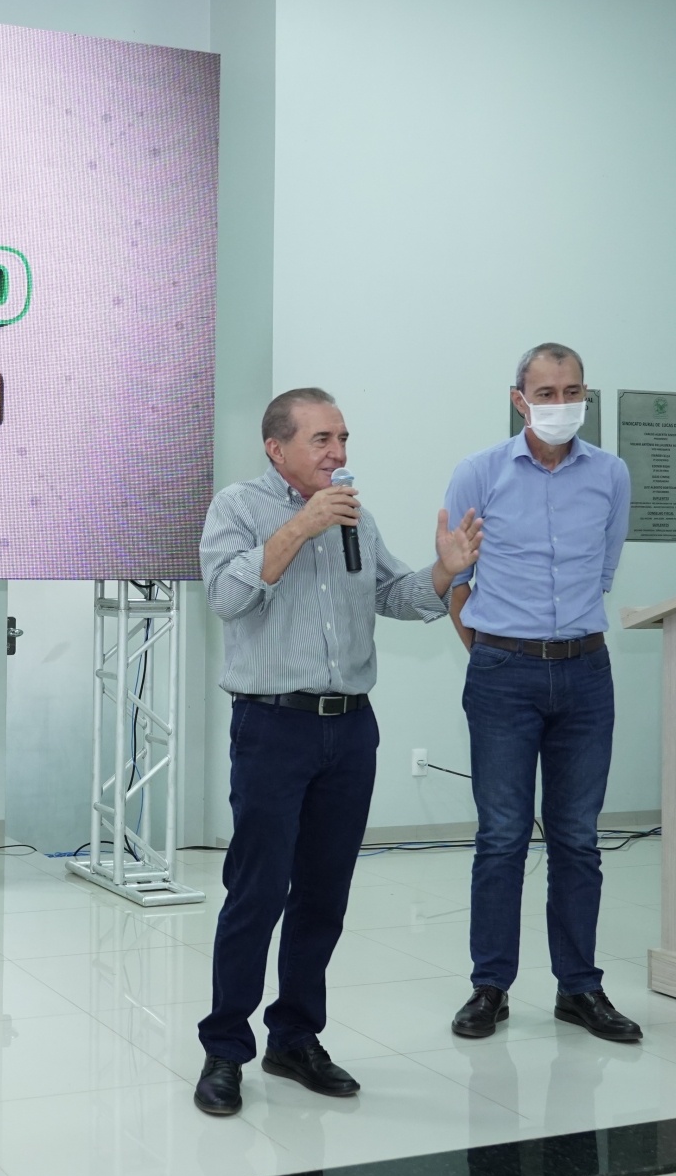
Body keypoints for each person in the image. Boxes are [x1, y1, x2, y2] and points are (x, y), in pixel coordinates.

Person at [193, 387, 483, 1117]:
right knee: (257, 892)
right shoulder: (237, 508)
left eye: (343, 438)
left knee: (323, 895)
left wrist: (443, 570)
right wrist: (301, 525)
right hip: (273, 727)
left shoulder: (356, 515)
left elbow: (397, 595)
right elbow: (226, 596)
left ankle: (295, 1038)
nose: (338, 452)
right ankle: (225, 1049)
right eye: (322, 439)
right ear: (277, 448)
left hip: (349, 730)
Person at [441, 343, 641, 1044]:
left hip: (586, 672)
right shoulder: (479, 472)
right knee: (501, 836)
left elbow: (604, 569)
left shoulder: (611, 474)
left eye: (572, 390)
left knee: (578, 838)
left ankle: (579, 987)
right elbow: (455, 581)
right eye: (546, 392)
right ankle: (489, 986)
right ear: (519, 399)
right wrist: (495, 655)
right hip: (504, 672)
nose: (561, 403)